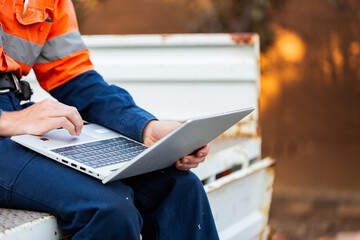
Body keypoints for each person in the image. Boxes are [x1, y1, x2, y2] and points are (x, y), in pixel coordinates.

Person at [0, 0, 219, 239]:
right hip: (10, 120)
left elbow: (75, 78)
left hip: (14, 110)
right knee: (110, 209)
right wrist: (9, 121)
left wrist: (146, 128)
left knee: (180, 187)